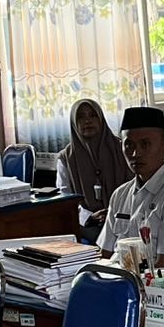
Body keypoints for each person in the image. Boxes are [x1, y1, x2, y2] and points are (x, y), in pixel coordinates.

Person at [96, 106, 164, 270]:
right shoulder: (120, 195)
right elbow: (104, 255)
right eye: (129, 145)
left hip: (157, 290)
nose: (135, 153)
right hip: (116, 285)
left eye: (145, 144)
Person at [55, 98, 127, 234]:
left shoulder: (122, 149)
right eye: (81, 117)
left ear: (101, 119)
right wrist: (88, 217)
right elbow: (65, 199)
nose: (87, 121)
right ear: (74, 123)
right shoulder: (65, 158)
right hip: (89, 223)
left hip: (124, 217)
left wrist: (116, 213)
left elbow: (136, 187)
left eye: (93, 115)